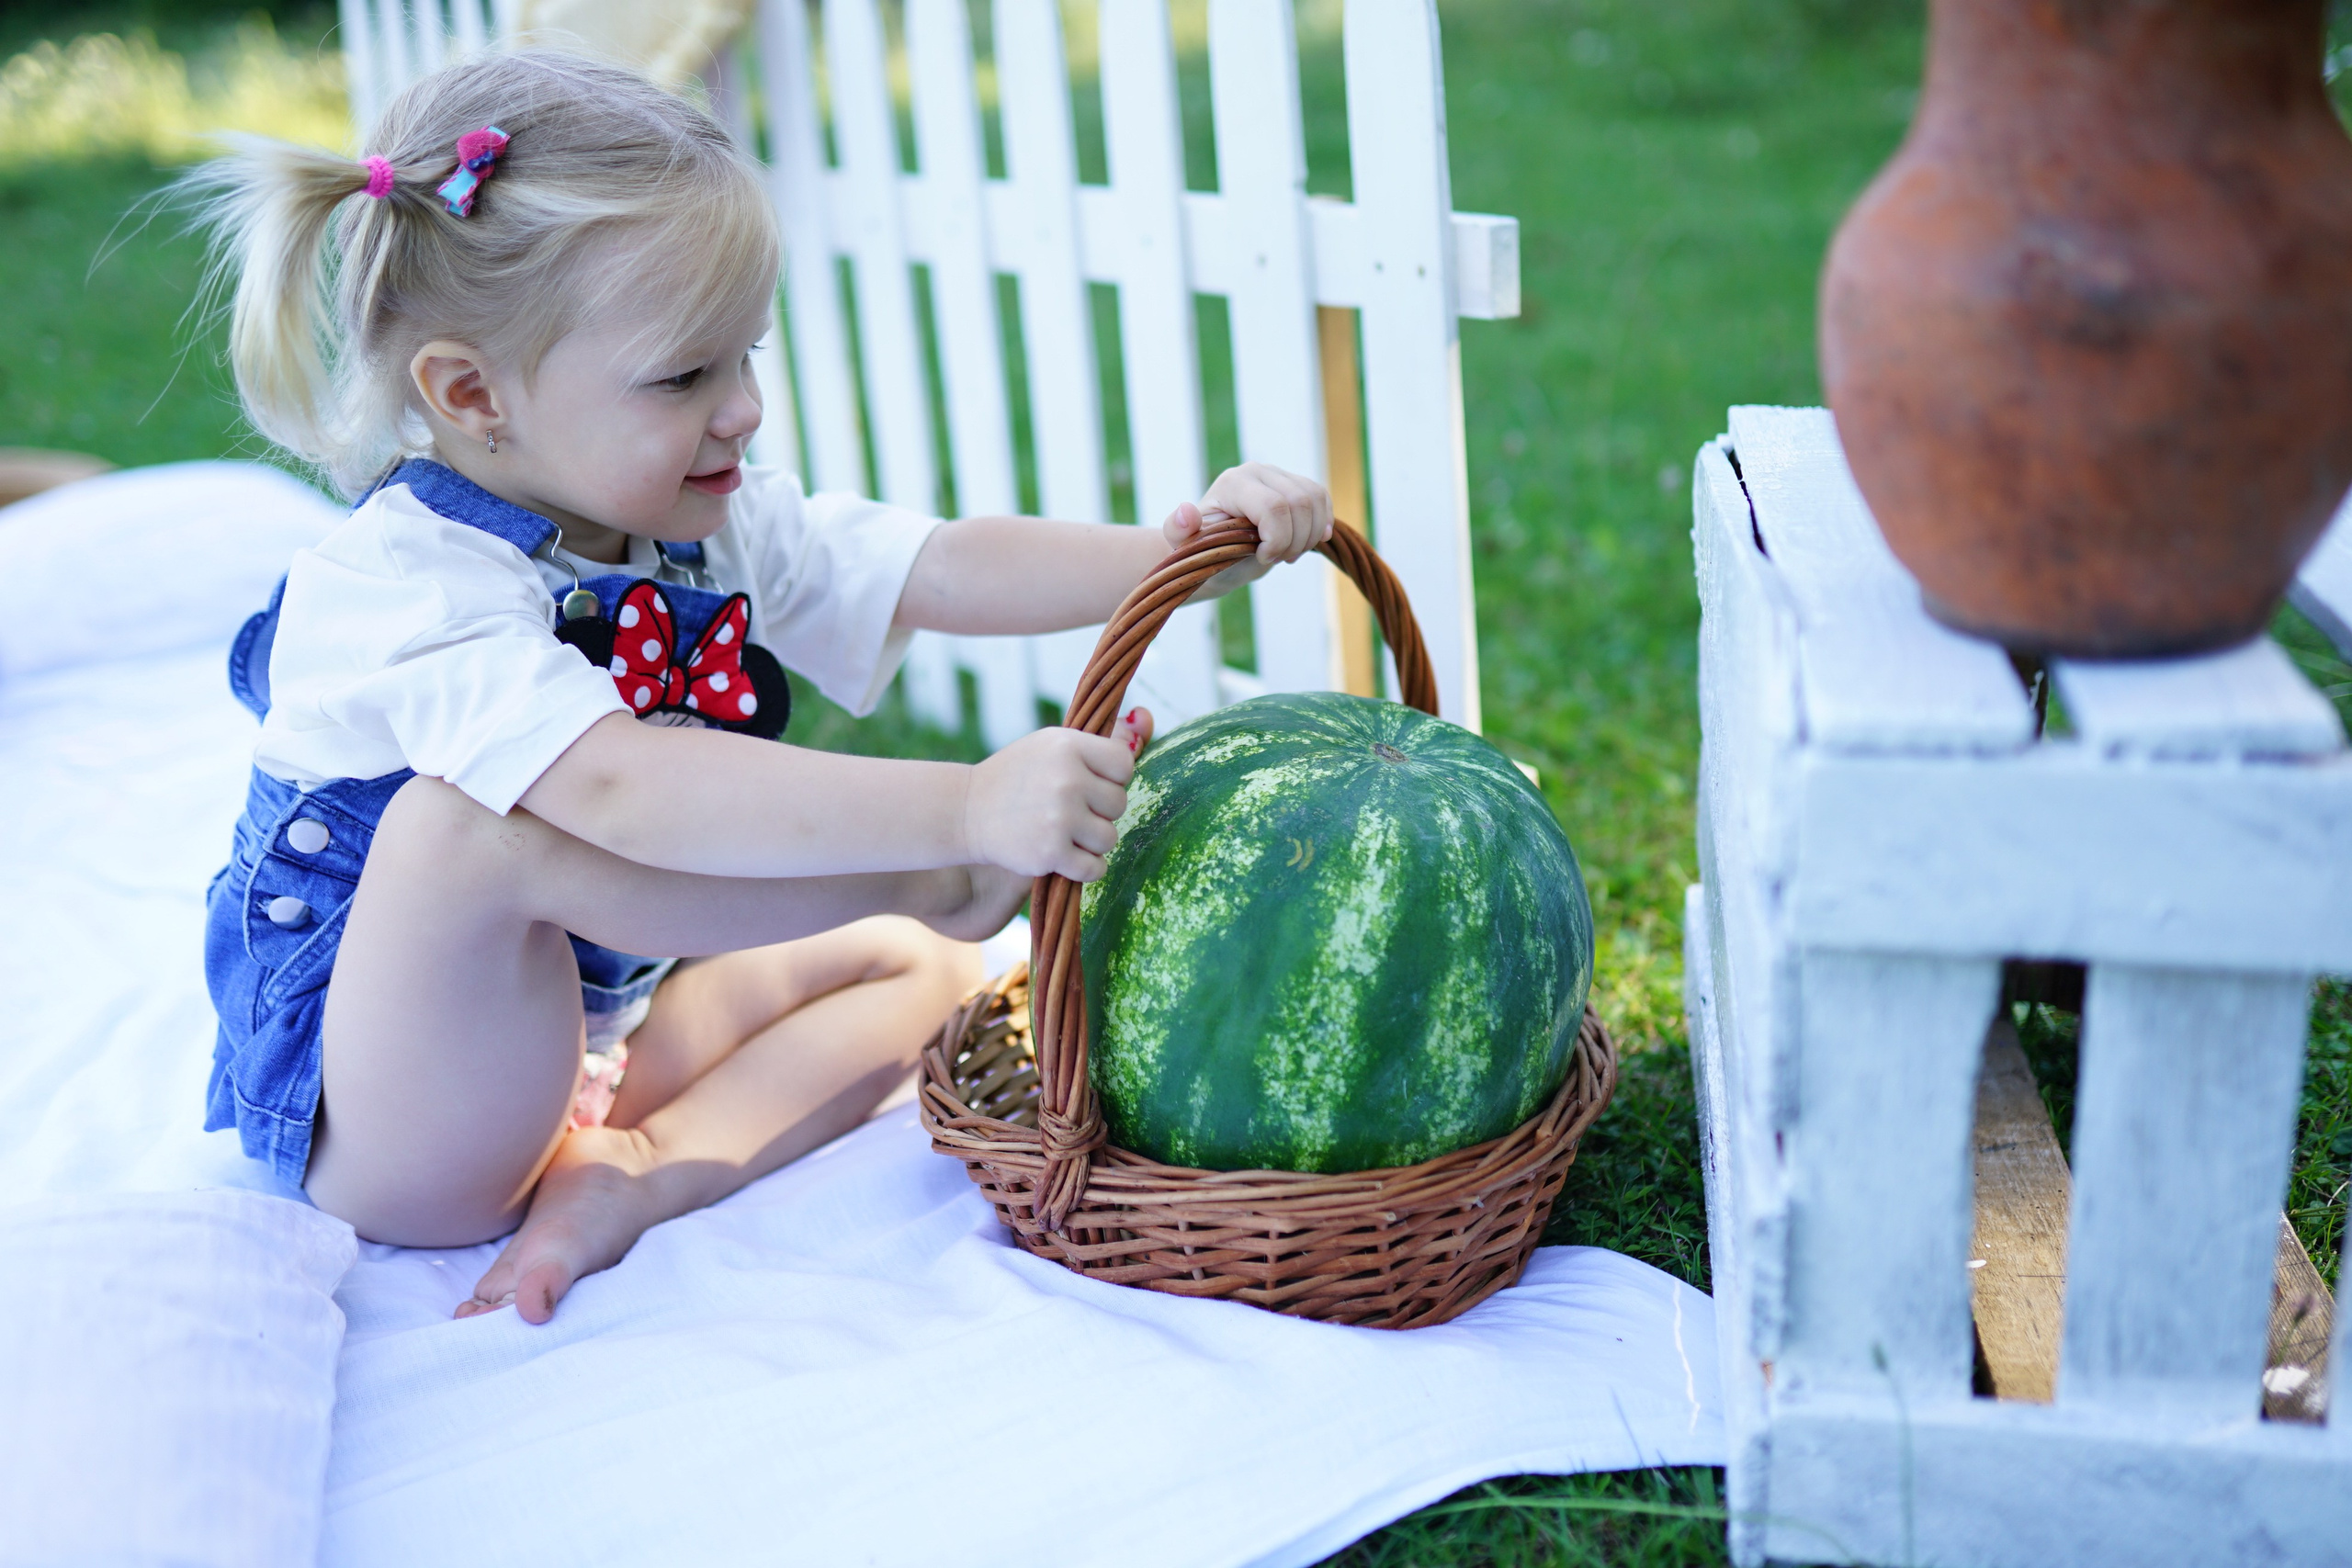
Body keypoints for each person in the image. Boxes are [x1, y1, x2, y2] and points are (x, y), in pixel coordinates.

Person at [191, 49, 1331, 1325]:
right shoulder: (405, 582)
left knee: (940, 971)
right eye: (685, 377)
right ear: (471, 396)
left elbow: (931, 565)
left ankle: (629, 1173)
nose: (743, 410)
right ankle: (938, 883)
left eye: (745, 357)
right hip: (400, 1127)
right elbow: (621, 787)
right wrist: (957, 817)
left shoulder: (682, 513)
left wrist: (1178, 562)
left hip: (591, 1036)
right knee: (460, 825)